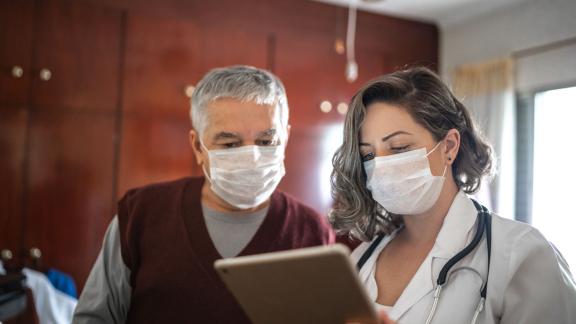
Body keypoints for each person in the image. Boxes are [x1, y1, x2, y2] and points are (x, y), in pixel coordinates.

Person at [73, 65, 335, 323]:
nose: (253, 157)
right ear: (198, 146)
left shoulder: (311, 232)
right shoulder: (141, 216)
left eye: (266, 142)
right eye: (230, 144)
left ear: (285, 138)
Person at [332, 67, 576, 323]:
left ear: (449, 147)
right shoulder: (361, 260)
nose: (380, 166)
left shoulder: (521, 254)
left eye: (399, 148)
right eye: (368, 154)